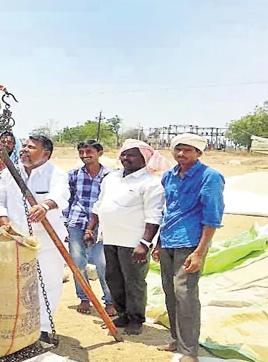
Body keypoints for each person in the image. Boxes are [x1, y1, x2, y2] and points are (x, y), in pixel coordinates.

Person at [154, 134, 224, 361]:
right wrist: (158, 243)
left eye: (188, 150)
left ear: (199, 153)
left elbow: (212, 217)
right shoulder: (169, 176)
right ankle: (176, 339)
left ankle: (189, 351)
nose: (182, 154)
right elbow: (168, 212)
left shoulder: (210, 177)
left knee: (185, 295)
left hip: (191, 242)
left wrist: (200, 252)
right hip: (168, 241)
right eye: (178, 149)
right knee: (170, 292)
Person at [0, 135, 69, 343]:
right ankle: (17, 325)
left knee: (48, 282)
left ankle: (43, 327)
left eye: (31, 147)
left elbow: (61, 195)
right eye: (24, 145)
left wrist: (45, 206)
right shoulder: (9, 173)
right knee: (15, 284)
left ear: (45, 154)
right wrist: (4, 223)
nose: (24, 149)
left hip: (47, 241)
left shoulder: (56, 173)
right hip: (16, 240)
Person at [87, 139, 165, 335]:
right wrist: (91, 229)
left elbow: (154, 216)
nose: (126, 158)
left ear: (144, 158)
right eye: (124, 154)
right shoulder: (111, 178)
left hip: (134, 242)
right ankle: (122, 313)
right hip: (110, 238)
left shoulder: (151, 182)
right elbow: (99, 205)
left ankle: (136, 319)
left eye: (132, 155)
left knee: (134, 281)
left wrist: (145, 243)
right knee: (113, 278)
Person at [64, 140, 116, 316]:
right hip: (77, 222)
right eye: (81, 152)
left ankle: (109, 301)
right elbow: (68, 199)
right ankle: (84, 298)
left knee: (103, 263)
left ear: (99, 153)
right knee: (78, 263)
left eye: (89, 151)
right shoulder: (73, 175)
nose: (85, 155)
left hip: (102, 225)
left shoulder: (112, 176)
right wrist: (66, 223)